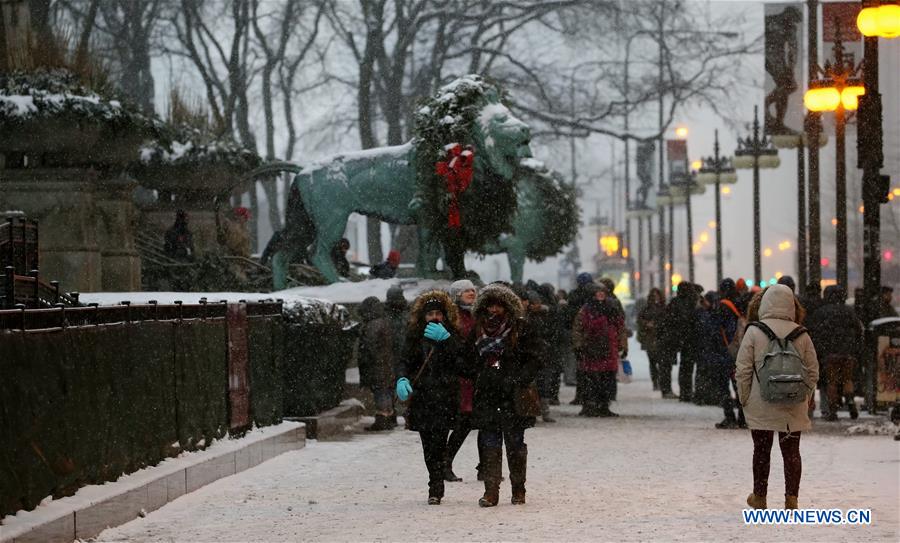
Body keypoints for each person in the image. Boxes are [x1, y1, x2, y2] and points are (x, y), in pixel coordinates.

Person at [736, 285, 819, 510]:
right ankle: (791, 499)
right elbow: (813, 370)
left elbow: (743, 369)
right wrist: (805, 395)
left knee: (761, 450)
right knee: (791, 451)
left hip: (760, 401)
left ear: (764, 304)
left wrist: (745, 397)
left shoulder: (754, 331)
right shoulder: (802, 334)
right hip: (793, 401)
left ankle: (760, 497)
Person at [466, 283, 543, 507]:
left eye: (498, 306)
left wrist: (519, 379)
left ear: (507, 307)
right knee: (490, 442)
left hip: (514, 395)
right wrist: (480, 373)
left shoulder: (521, 328)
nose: (494, 310)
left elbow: (536, 357)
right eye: (490, 306)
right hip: (487, 394)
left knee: (515, 443)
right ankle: (491, 491)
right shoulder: (477, 329)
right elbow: (466, 358)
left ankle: (518, 489)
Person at [394, 290, 462, 505]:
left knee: (440, 442)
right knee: (427, 444)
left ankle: (436, 486)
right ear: (423, 316)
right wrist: (402, 378)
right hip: (422, 397)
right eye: (430, 314)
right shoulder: (414, 336)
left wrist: (447, 341)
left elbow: (463, 363)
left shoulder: (452, 335)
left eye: (438, 313)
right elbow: (404, 360)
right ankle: (434, 480)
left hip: (445, 397)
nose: (434, 317)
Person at [805, 285, 863, 421]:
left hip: (829, 354)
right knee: (847, 379)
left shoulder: (821, 312)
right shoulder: (849, 311)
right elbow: (859, 331)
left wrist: (819, 351)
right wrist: (854, 349)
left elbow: (814, 333)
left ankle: (833, 411)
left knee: (832, 381)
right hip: (847, 353)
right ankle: (850, 401)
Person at [572, 284, 626, 417]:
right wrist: (578, 346)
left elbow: (620, 328)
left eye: (603, 292)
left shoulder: (612, 308)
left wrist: (623, 345)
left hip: (609, 349)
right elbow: (578, 328)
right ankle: (590, 406)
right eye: (598, 292)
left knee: (607, 379)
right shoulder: (586, 309)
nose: (601, 294)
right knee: (591, 379)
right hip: (591, 349)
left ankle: (603, 406)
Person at [444, 279, 478, 482]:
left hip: (475, 375)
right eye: (467, 291)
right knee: (462, 421)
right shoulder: (452, 317)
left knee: (475, 421)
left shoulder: (477, 314)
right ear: (457, 295)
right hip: (459, 377)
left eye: (473, 290)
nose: (472, 293)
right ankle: (445, 462)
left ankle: (486, 466)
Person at [357, 297, 396, 431]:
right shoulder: (383, 321)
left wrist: (368, 360)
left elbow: (369, 345)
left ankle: (382, 419)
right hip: (385, 363)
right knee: (385, 390)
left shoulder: (373, 324)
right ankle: (388, 417)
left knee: (380, 391)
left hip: (377, 365)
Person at [716, 278, 747, 429]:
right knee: (740, 385)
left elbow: (717, 330)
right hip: (741, 351)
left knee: (723, 386)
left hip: (725, 350)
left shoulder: (722, 306)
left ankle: (729, 417)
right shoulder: (741, 304)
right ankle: (743, 417)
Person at [662, 282, 701, 402]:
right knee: (687, 366)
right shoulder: (691, 302)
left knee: (682, 367)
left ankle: (684, 392)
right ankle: (687, 391)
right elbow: (692, 319)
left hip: (678, 338)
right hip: (689, 338)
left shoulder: (674, 303)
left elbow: (668, 319)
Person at [564, 272, 596, 405]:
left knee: (582, 367)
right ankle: (589, 396)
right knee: (589, 368)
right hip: (590, 336)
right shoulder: (594, 297)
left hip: (581, 335)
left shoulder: (574, 296)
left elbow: (569, 317)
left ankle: (582, 395)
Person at [638, 288, 674, 397]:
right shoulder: (646, 308)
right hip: (650, 337)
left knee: (661, 361)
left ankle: (661, 382)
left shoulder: (664, 308)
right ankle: (655, 382)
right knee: (653, 361)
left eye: (657, 295)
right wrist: (646, 324)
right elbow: (639, 320)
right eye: (653, 295)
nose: (656, 297)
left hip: (660, 337)